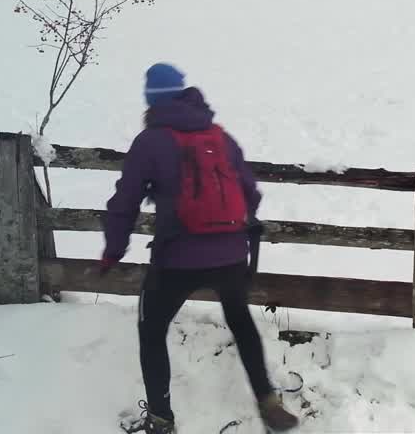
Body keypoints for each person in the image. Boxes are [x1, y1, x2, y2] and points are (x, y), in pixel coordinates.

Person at [101, 63, 299, 434]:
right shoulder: (220, 137)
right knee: (240, 322)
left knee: (152, 329)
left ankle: (161, 419)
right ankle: (267, 401)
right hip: (230, 256)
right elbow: (250, 192)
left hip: (176, 258)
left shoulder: (151, 141)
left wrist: (113, 249)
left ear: (151, 100)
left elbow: (125, 201)